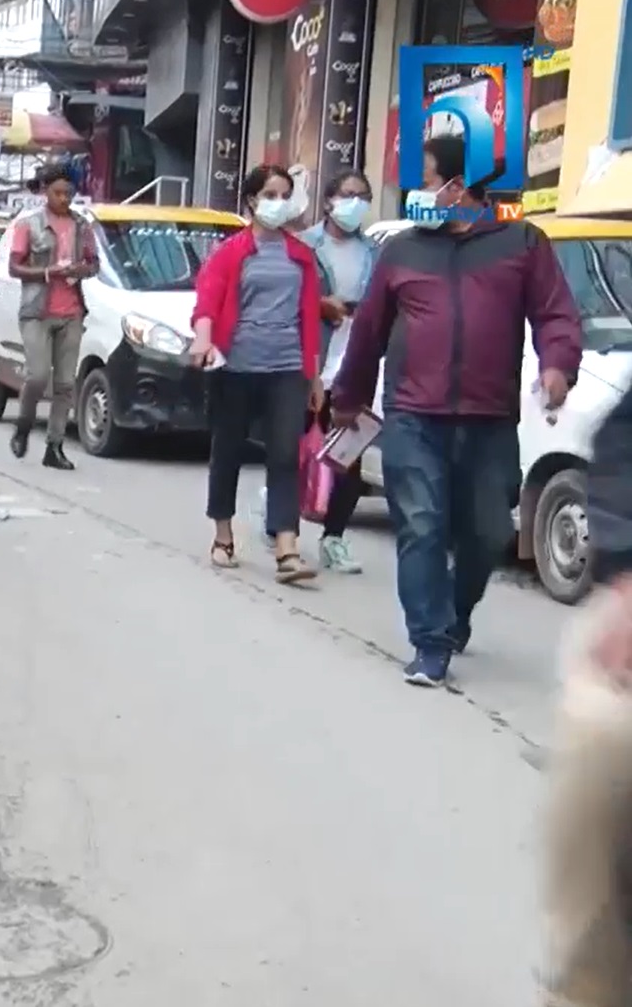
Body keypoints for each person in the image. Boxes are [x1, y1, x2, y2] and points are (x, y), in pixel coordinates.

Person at [331, 136, 583, 685]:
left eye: (423, 180)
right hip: (413, 416)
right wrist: (347, 399)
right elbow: (368, 332)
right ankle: (430, 644)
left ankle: (453, 612)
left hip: (489, 420)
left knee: (489, 531)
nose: (416, 193)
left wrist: (557, 365)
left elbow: (556, 315)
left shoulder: (521, 243)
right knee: (421, 525)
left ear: (457, 186)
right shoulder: (402, 250)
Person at [189, 164, 327, 584]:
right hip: (236, 366)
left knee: (285, 453)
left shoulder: (301, 256)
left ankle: (287, 546)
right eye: (270, 194)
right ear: (251, 201)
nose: (279, 203)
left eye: (286, 195)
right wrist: (203, 339)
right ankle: (223, 534)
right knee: (228, 449)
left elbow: (310, 320)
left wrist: (314, 376)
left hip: (287, 367)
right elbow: (207, 306)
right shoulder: (230, 253)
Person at [292, 168, 379, 573]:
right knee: (297, 448)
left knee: (349, 456)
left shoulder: (374, 253)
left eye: (363, 195)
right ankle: (283, 526)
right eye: (348, 194)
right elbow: (287, 297)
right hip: (311, 360)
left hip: (355, 365)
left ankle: (334, 538)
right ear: (329, 201)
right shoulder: (304, 246)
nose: (355, 203)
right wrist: (320, 304)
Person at [6, 164, 99, 470]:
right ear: (46, 191)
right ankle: (23, 425)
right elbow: (14, 268)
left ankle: (54, 446)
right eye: (58, 193)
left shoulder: (82, 226)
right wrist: (48, 272)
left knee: (65, 384)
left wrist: (80, 269)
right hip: (37, 312)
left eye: (69, 193)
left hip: (71, 312)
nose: (64, 199)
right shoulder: (29, 226)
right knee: (37, 377)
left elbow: (94, 263)